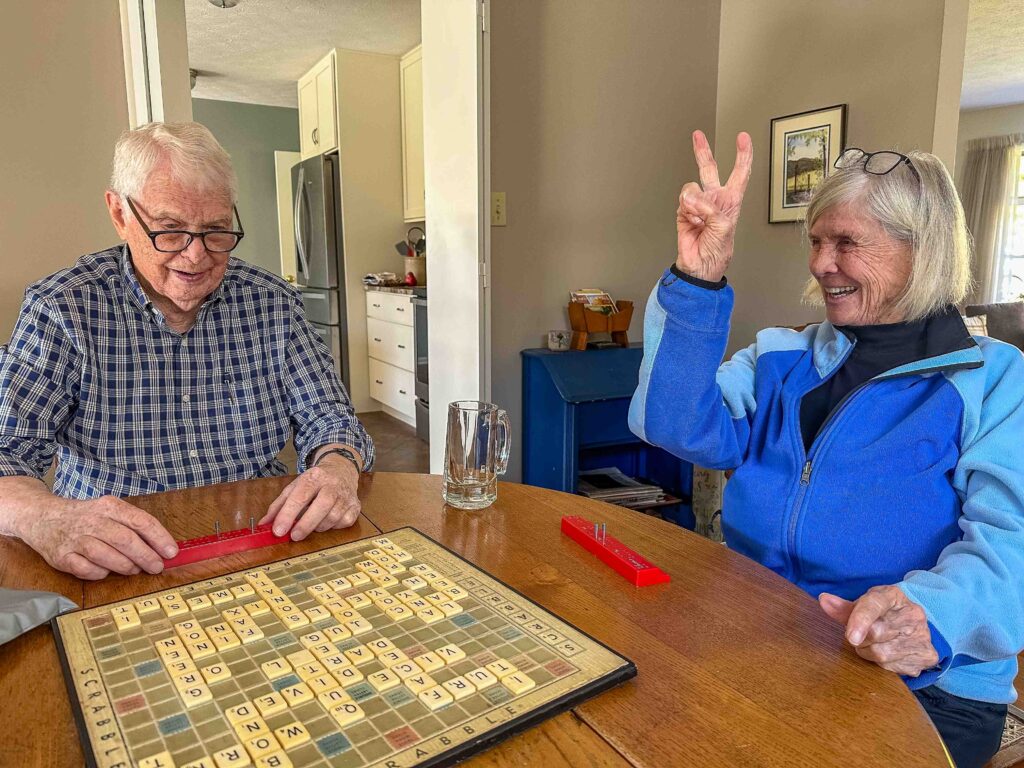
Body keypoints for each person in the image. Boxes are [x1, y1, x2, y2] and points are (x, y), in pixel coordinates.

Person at [629, 130, 1024, 768]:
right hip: (762, 638)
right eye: (816, 241)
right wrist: (697, 281)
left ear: (921, 252)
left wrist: (931, 613)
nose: (820, 263)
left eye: (846, 243)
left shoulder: (995, 380)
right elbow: (673, 426)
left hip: (921, 681)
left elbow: (1013, 544)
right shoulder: (781, 355)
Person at [0, 122, 374, 581]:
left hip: (259, 538)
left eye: (216, 231)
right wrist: (46, 517)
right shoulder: (62, 308)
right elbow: (8, 451)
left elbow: (330, 417)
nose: (196, 257)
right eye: (170, 231)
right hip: (115, 554)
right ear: (120, 214)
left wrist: (337, 469)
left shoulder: (273, 302)